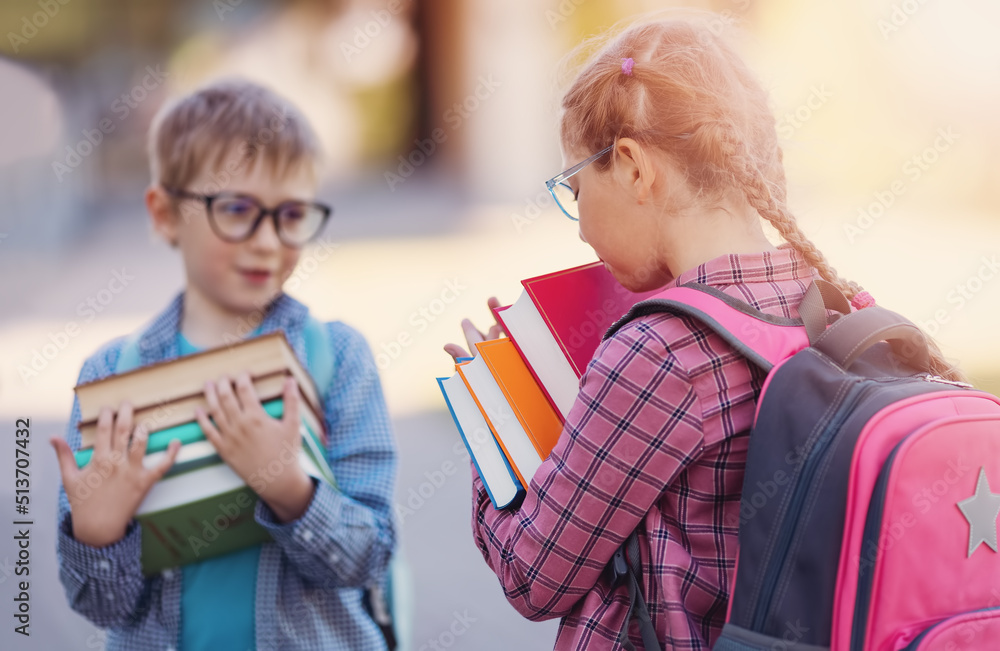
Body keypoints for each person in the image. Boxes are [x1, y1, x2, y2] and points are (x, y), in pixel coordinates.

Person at [444, 13, 965, 650]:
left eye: (574, 189)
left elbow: (534, 575)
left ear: (634, 167)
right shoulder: (840, 306)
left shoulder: (660, 351)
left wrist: (487, 424)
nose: (578, 227)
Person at [50, 78, 397, 651]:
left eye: (291, 214)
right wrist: (97, 530)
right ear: (164, 214)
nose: (267, 241)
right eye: (236, 209)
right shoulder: (113, 376)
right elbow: (98, 605)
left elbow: (368, 558)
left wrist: (289, 486)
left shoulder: (337, 358)